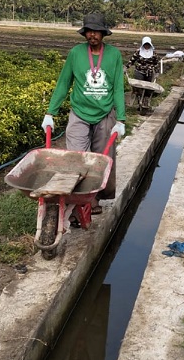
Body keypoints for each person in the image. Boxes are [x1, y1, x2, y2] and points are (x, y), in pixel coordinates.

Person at [42, 12, 126, 220]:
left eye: (96, 31)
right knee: (76, 158)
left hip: (105, 113)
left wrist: (121, 119)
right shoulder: (76, 53)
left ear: (103, 33)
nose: (92, 35)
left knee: (101, 159)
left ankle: (94, 197)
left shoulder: (113, 55)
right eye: (89, 31)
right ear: (85, 33)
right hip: (79, 112)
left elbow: (117, 88)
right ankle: (74, 199)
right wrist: (50, 112)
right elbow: (64, 83)